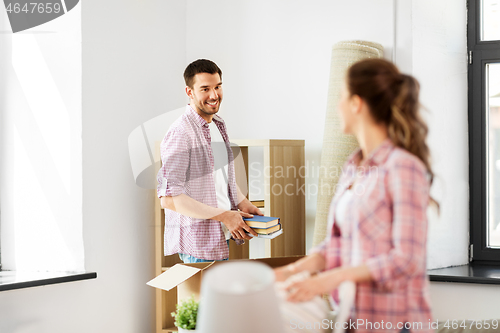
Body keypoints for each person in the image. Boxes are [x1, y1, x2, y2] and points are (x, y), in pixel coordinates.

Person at [274, 58, 437, 333]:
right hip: (355, 318)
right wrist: (290, 272)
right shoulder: (354, 167)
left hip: (397, 323)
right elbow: (338, 245)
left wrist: (330, 280)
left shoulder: (403, 168)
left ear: (356, 103)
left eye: (341, 97)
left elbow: (406, 259)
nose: (337, 106)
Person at [156, 59, 261, 263]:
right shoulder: (181, 133)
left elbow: (221, 179)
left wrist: (243, 203)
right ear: (189, 92)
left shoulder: (218, 125)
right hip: (197, 245)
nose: (214, 95)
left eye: (218, 87)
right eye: (205, 89)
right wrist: (224, 215)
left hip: (220, 235)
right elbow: (168, 199)